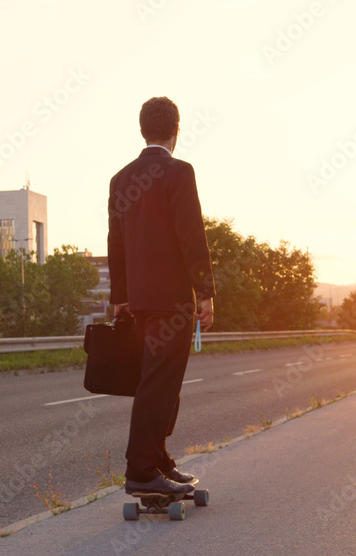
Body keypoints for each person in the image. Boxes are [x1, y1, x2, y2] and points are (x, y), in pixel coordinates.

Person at [108, 96, 216, 496]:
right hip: (173, 301)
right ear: (176, 130)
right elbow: (192, 235)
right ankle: (140, 470)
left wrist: (119, 297)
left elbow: (115, 244)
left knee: (159, 383)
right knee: (159, 384)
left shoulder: (120, 179)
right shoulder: (179, 172)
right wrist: (205, 292)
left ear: (142, 129)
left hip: (138, 302)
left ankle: (158, 459)